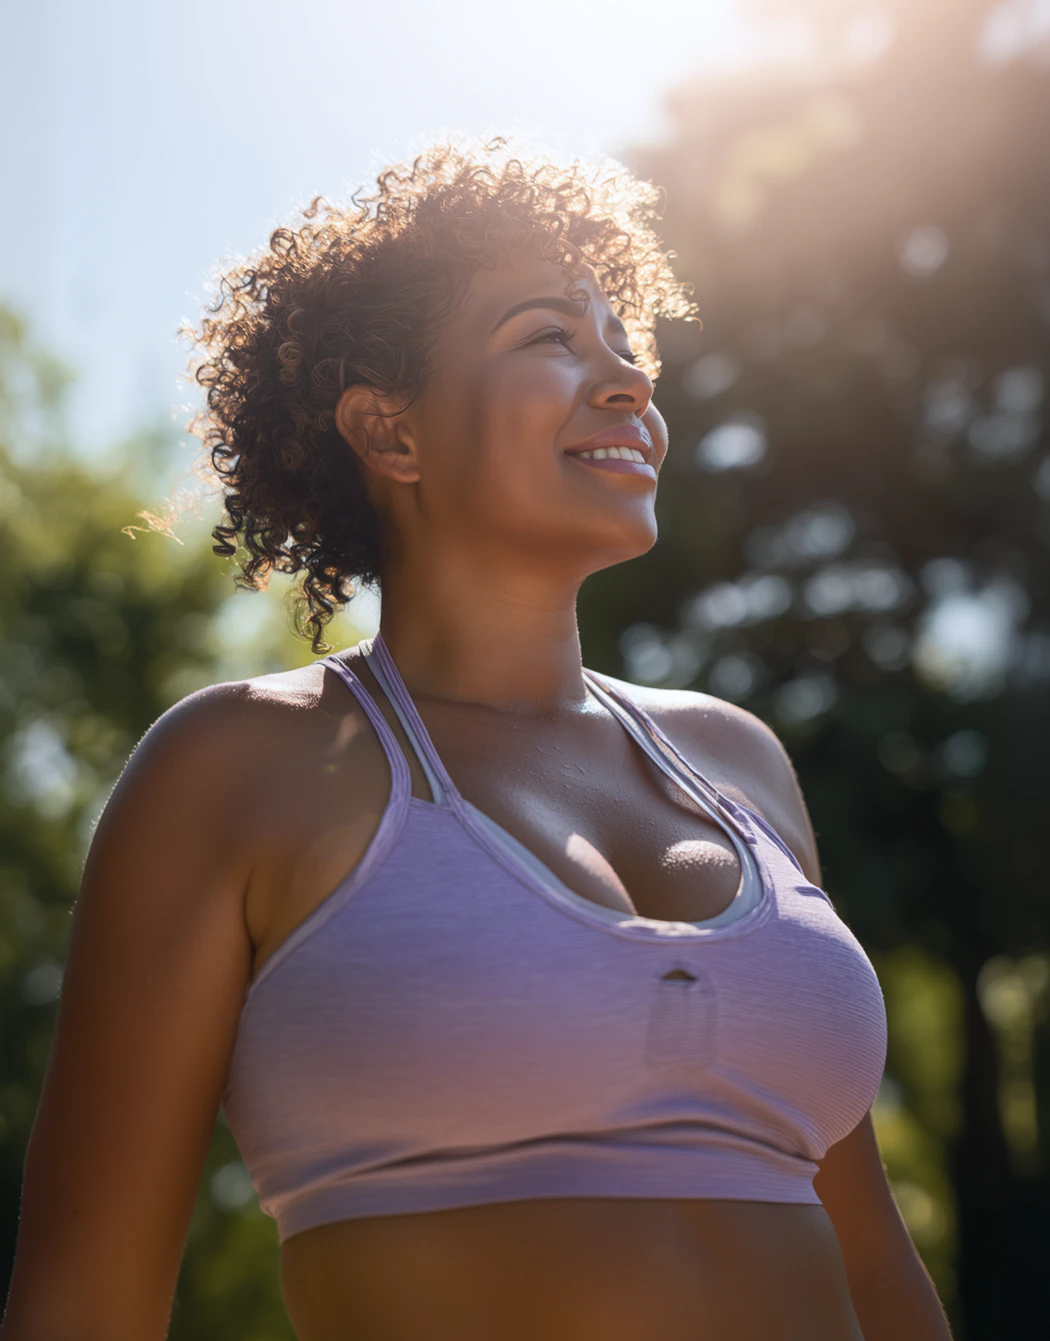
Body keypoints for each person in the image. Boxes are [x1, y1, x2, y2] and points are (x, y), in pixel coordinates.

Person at [1, 137, 953, 1341]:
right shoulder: (238, 770)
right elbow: (84, 1305)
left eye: (626, 344)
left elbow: (873, 1263)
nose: (625, 383)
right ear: (390, 435)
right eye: (552, 337)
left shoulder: (737, 764)